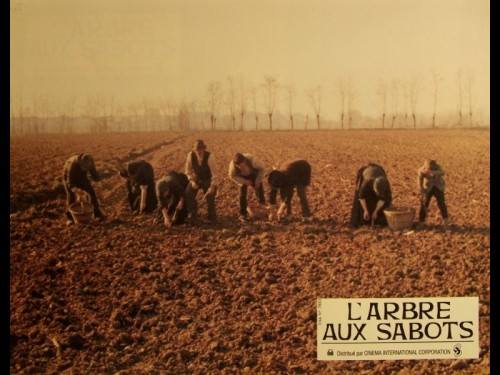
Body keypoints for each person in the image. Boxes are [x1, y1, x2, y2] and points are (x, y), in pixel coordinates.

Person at [63, 153, 105, 223]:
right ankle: (69, 218)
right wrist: (77, 192)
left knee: (91, 192)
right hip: (68, 178)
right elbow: (70, 182)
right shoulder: (72, 165)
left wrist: (99, 186)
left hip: (82, 177)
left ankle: (97, 214)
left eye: (86, 168)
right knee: (71, 196)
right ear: (80, 163)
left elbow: (95, 175)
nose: (85, 169)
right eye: (84, 167)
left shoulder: (90, 162)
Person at [185, 140, 219, 222]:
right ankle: (193, 215)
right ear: (193, 149)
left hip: (208, 179)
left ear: (204, 149)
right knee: (188, 193)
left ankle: (212, 218)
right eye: (196, 150)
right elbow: (188, 171)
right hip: (196, 178)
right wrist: (192, 181)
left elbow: (215, 174)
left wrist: (212, 186)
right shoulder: (190, 155)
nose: (198, 152)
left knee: (210, 197)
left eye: (200, 150)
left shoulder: (210, 157)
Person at [350, 163, 392, 227]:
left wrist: (376, 211)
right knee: (360, 201)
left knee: (386, 202)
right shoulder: (366, 182)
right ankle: (362, 221)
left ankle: (379, 221)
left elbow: (382, 200)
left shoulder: (385, 185)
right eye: (377, 192)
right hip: (365, 172)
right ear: (374, 187)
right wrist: (365, 210)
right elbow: (361, 197)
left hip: (380, 171)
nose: (378, 194)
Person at [228, 152, 266, 221]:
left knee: (260, 191)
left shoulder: (253, 160)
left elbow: (262, 168)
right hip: (241, 177)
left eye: (243, 165)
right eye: (240, 166)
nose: (242, 167)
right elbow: (232, 176)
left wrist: (258, 180)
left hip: (254, 174)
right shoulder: (232, 167)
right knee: (242, 195)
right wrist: (244, 182)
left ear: (245, 161)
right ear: (236, 165)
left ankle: (263, 210)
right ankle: (243, 214)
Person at [417, 159, 448, 229]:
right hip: (428, 188)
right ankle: (421, 222)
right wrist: (423, 192)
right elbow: (420, 183)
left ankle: (446, 221)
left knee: (442, 204)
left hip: (438, 187)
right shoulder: (421, 171)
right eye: (428, 169)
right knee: (424, 204)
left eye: (432, 168)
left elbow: (442, 172)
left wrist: (432, 172)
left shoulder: (438, 167)